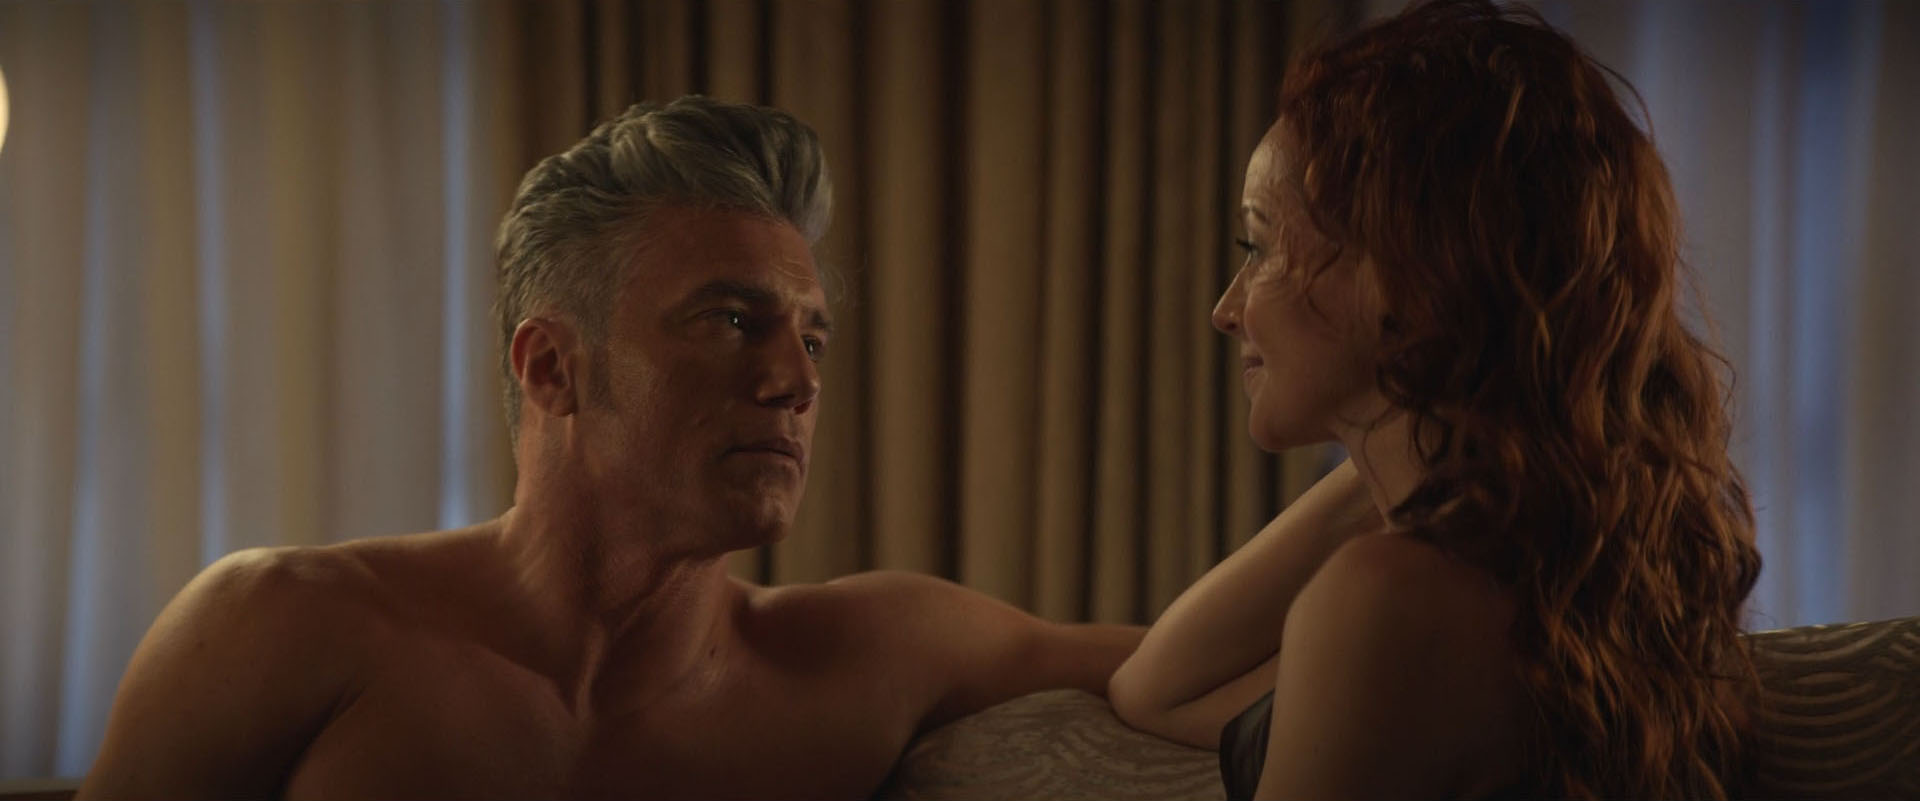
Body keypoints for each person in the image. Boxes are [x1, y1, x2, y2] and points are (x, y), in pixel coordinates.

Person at [78, 96, 1143, 800]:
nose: (797, 381)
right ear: (551, 367)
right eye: (731, 320)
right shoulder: (276, 626)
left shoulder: (867, 657)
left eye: (812, 337)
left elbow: (1195, 666)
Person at [1108, 1, 1763, 798]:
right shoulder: (1574, 591)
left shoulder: (1391, 602)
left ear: (1405, 270)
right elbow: (1159, 688)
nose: (1227, 307)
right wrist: (1418, 445)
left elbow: (1157, 689)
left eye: (1262, 245)